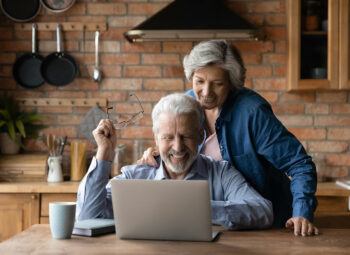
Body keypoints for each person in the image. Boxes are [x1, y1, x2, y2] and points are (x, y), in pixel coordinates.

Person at [138, 40, 319, 236]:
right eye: (199, 81)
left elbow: (300, 164)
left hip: (266, 224)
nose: (206, 92)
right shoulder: (187, 106)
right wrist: (157, 153)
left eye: (217, 84)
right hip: (210, 223)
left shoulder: (252, 113)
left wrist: (302, 213)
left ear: (232, 83)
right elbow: (177, 146)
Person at [76, 93, 273, 230]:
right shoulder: (134, 176)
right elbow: (87, 217)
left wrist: (195, 209)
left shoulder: (221, 173)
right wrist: (104, 153)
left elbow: (263, 211)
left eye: (186, 136)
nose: (178, 147)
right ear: (156, 138)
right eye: (168, 137)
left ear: (200, 136)